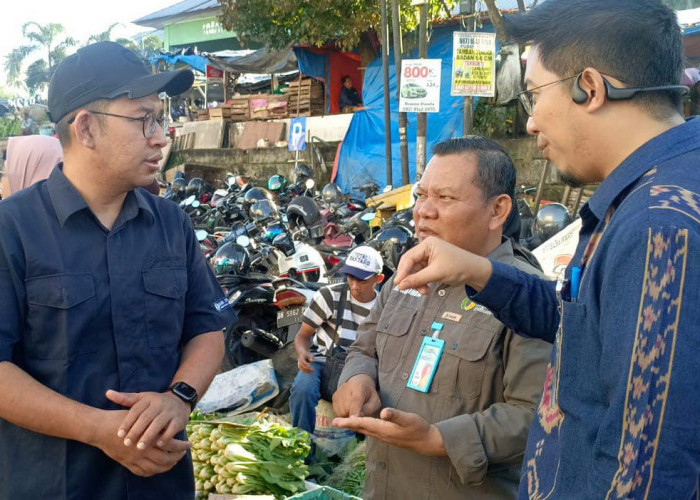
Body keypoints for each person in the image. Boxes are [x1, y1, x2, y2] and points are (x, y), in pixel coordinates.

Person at [392, 1, 700, 498]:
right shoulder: (654, 191)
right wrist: (478, 271)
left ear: (590, 88)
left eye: (534, 94)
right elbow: (589, 328)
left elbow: (650, 465)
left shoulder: (658, 225)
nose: (531, 123)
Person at [0, 41, 235, 499]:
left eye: (161, 117)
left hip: (160, 483)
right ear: (85, 128)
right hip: (55, 484)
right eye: (143, 117)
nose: (162, 136)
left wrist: (180, 397)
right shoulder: (13, 230)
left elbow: (207, 329)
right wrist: (99, 429)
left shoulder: (171, 225)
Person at [332, 137, 552, 499]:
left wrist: (438, 439)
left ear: (497, 210)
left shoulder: (528, 300)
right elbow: (364, 348)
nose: (423, 211)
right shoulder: (407, 273)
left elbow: (535, 415)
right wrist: (357, 379)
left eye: (445, 198)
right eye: (421, 195)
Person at [291, 246, 384, 435]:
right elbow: (303, 335)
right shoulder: (330, 295)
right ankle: (301, 444)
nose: (355, 285)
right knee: (302, 390)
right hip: (322, 362)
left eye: (362, 280)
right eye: (351, 278)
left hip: (358, 372)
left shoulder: (385, 308)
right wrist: (302, 353)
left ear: (378, 278)